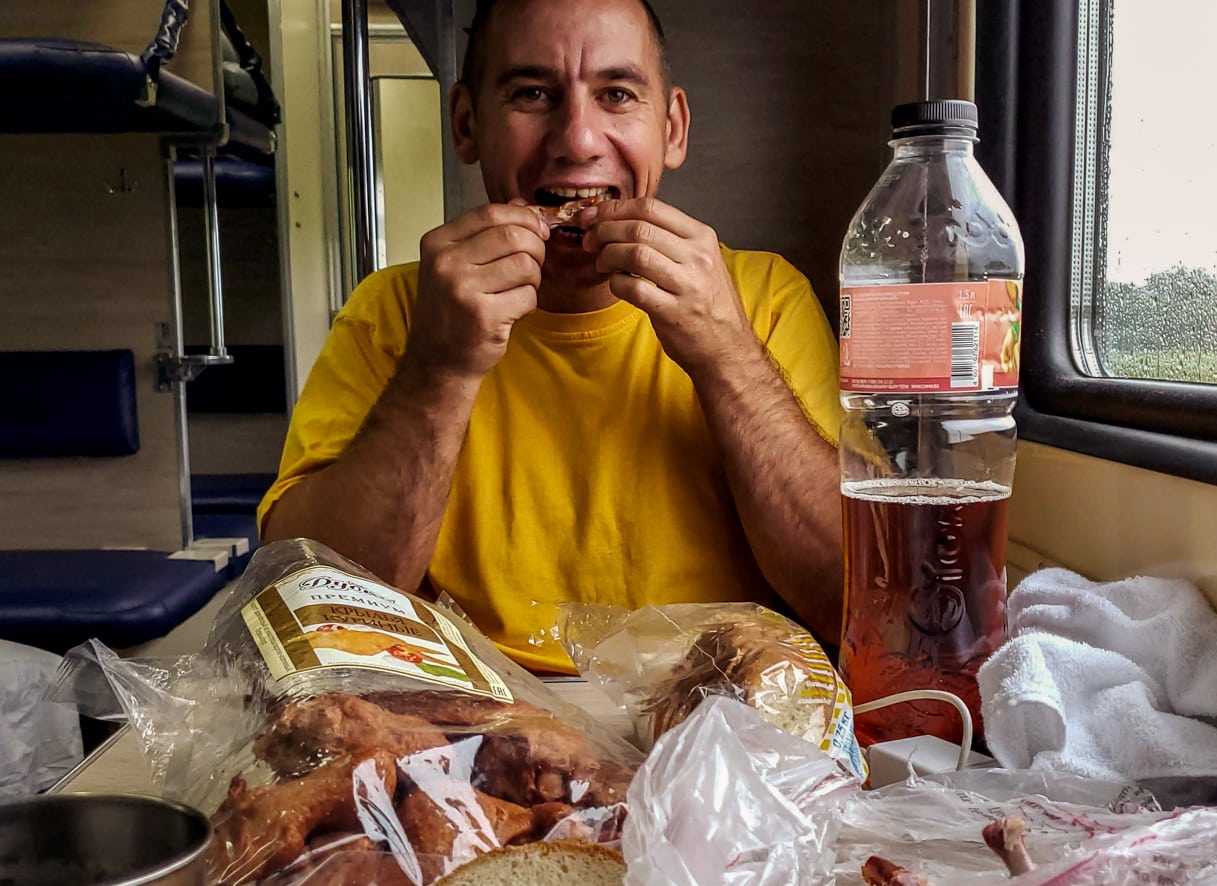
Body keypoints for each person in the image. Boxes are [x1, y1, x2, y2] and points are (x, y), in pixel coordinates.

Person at [259, 0, 842, 673]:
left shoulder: (764, 300)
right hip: (470, 734)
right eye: (533, 94)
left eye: (617, 94)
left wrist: (727, 356)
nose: (578, 141)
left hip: (720, 719)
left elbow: (849, 603)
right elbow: (311, 611)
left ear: (672, 128)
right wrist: (438, 370)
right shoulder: (391, 313)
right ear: (467, 123)